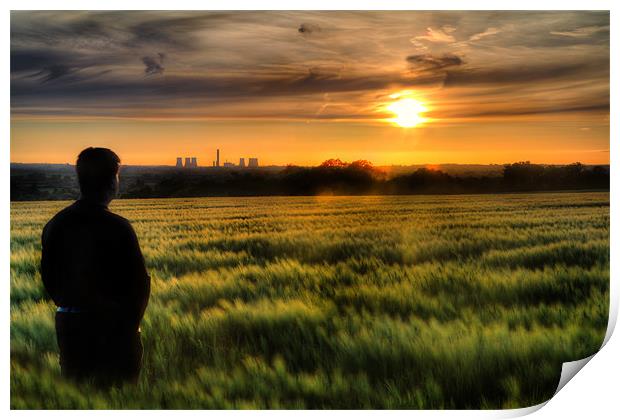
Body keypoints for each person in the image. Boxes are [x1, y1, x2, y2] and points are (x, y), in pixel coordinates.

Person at [40, 147, 151, 387]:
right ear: (112, 180)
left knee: (76, 401)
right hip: (114, 332)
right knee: (119, 401)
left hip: (70, 329)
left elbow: (48, 278)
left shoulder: (54, 225)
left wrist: (71, 307)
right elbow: (140, 285)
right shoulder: (118, 227)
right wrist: (129, 330)